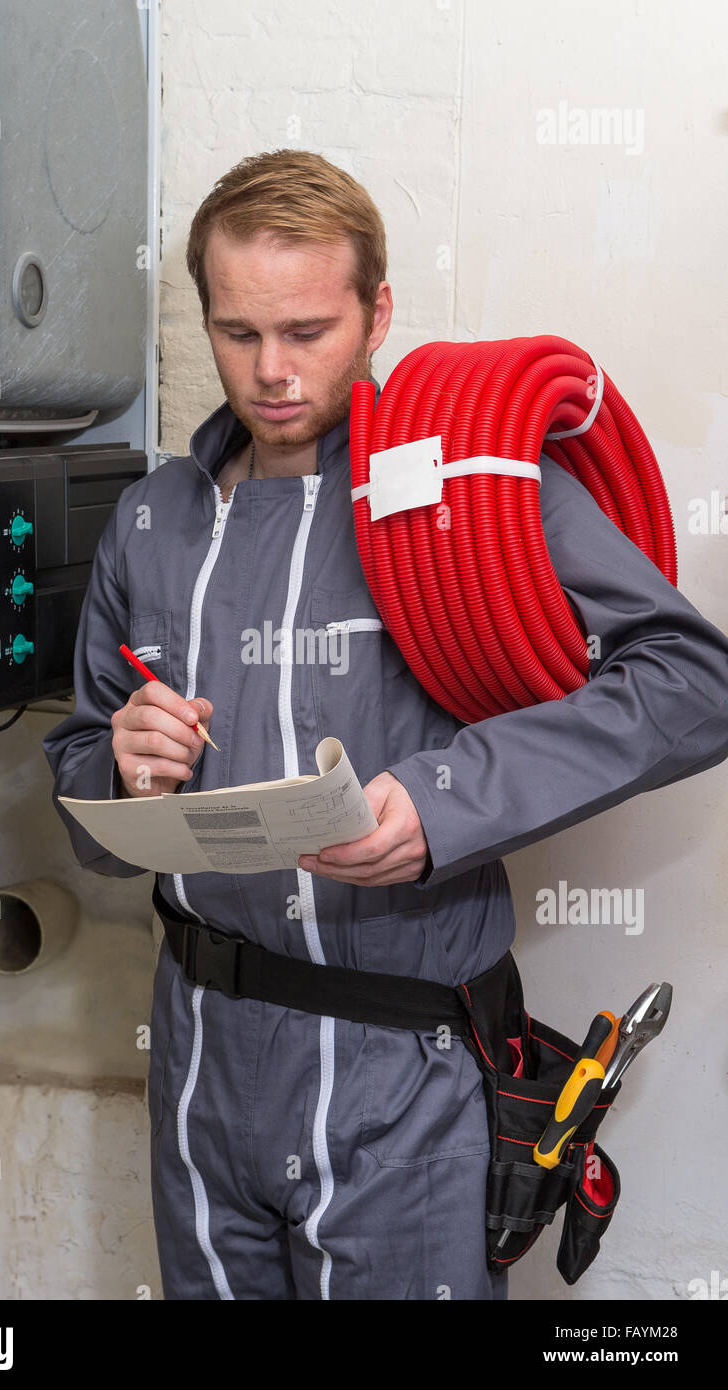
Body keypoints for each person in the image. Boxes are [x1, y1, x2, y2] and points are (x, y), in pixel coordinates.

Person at [43, 148, 728, 1301]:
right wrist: (120, 766)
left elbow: (690, 683)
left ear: (377, 314)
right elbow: (75, 784)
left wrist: (447, 802)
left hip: (402, 1076)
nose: (268, 373)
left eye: (307, 331)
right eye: (235, 331)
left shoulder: (469, 490)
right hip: (201, 1059)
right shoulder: (150, 521)